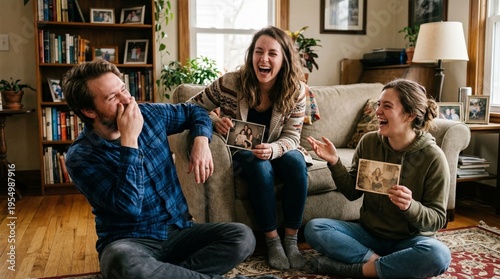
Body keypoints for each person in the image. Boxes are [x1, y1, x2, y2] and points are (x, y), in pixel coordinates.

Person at [61, 60, 278, 279]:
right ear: (89, 111)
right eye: (112, 97)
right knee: (121, 262)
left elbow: (195, 111)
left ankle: (167, 274)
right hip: (130, 242)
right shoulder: (81, 157)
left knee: (242, 236)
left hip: (179, 231)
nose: (127, 99)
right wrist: (130, 140)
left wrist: (201, 141)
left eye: (123, 89)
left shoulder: (150, 114)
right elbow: (129, 206)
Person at [187, 26, 310, 270]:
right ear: (251, 55)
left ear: (284, 59)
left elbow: (293, 136)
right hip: (243, 154)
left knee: (296, 162)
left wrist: (273, 149)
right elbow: (191, 107)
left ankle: (291, 241)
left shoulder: (296, 90)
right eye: (258, 52)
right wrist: (214, 121)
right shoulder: (231, 82)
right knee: (258, 165)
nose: (264, 59)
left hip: (277, 149)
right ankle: (273, 241)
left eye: (272, 54)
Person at [304, 79, 451, 278]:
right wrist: (335, 162)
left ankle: (353, 269)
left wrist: (410, 206)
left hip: (410, 240)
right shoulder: (369, 142)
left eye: (387, 106)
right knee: (315, 228)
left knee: (438, 255)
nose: (378, 111)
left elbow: (437, 219)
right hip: (369, 235)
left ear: (410, 115)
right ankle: (383, 265)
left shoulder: (433, 157)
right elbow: (352, 193)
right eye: (378, 105)